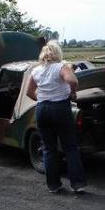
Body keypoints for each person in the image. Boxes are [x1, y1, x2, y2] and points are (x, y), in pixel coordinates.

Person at [26, 41, 86, 194]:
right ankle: (77, 184)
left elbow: (29, 92)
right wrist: (72, 92)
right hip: (60, 108)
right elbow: (73, 80)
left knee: (48, 148)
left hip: (42, 109)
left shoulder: (36, 70)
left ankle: (53, 185)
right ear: (58, 53)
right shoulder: (61, 67)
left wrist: (42, 99)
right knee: (70, 147)